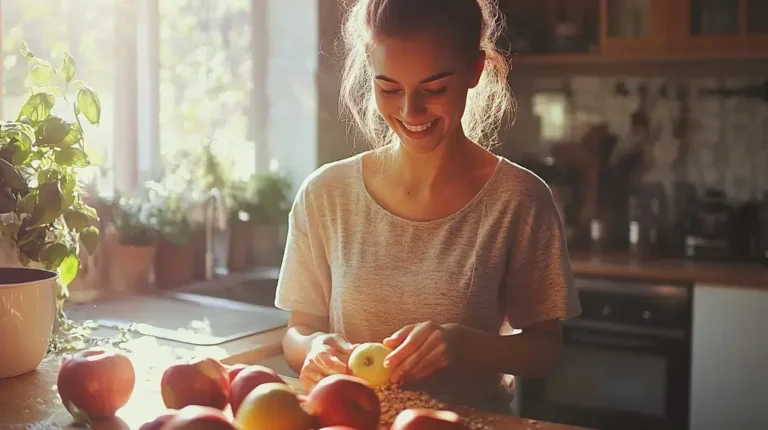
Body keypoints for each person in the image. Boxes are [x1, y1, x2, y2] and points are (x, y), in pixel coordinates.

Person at [274, 0, 581, 413]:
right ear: (370, 66)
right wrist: (314, 347)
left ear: (475, 70)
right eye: (389, 88)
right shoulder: (325, 194)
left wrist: (463, 345)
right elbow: (298, 332)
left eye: (434, 89)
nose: (409, 111)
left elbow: (545, 350)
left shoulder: (519, 199)